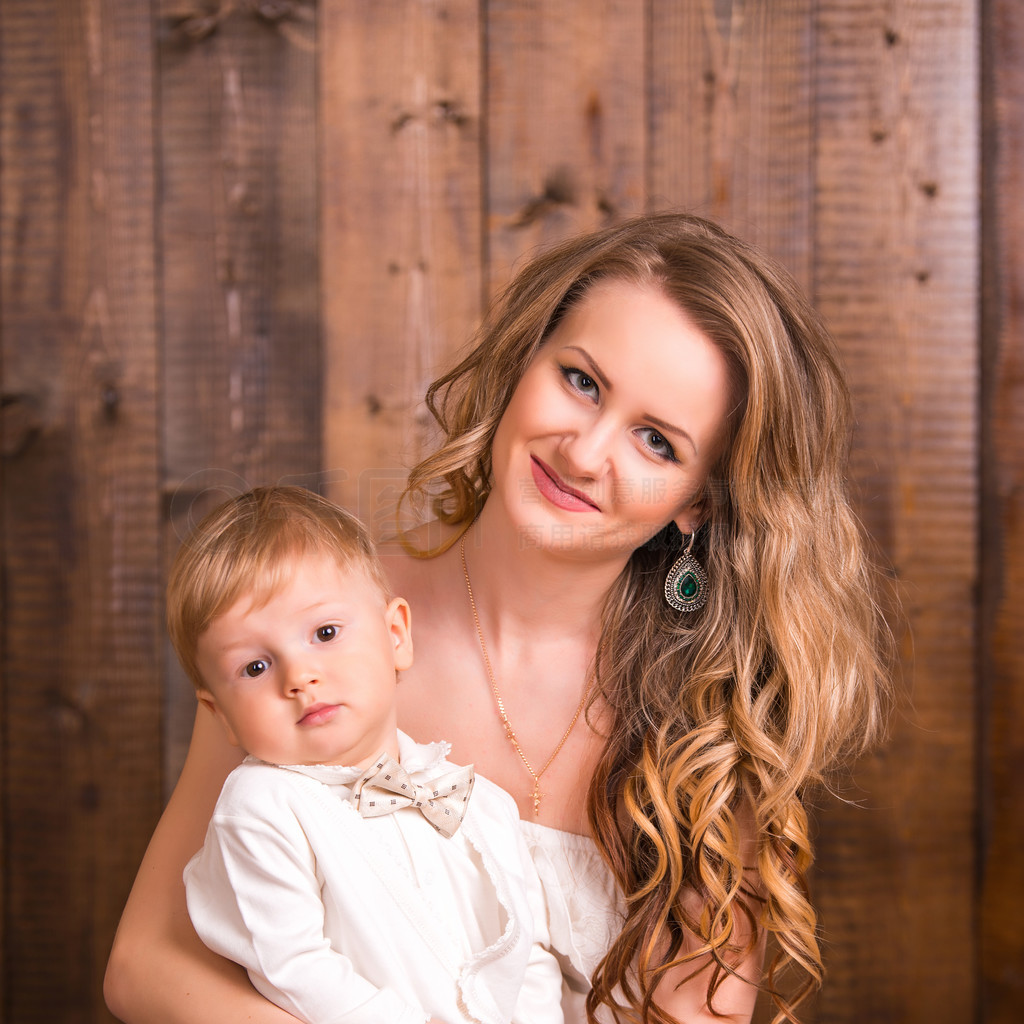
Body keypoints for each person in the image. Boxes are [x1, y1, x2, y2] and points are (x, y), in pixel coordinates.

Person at [105, 212, 895, 1024]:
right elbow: (145, 967)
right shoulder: (313, 627)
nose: (585, 453)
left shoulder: (709, 715)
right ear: (525, 362)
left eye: (656, 441)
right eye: (582, 382)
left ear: (696, 502)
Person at [168, 486, 565, 1024]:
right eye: (255, 668)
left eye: (324, 633)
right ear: (220, 715)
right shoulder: (262, 806)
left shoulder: (476, 802)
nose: (298, 676)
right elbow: (296, 968)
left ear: (396, 634)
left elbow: (530, 954)